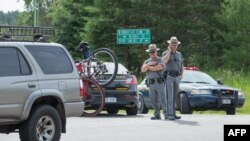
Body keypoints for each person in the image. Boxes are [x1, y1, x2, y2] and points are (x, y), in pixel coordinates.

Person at [141, 44, 167, 120]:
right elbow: (142, 70)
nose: (152, 53)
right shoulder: (147, 61)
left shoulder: (160, 59)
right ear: (149, 53)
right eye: (151, 52)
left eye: (153, 51)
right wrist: (149, 64)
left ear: (156, 52)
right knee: (153, 100)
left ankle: (166, 113)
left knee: (163, 99)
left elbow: (158, 67)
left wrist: (148, 68)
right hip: (151, 83)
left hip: (159, 82)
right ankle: (157, 114)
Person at [162, 36, 183, 120]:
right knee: (169, 96)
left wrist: (181, 74)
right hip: (169, 76)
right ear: (169, 44)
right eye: (172, 44)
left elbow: (181, 64)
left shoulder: (179, 54)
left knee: (175, 96)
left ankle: (173, 113)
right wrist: (169, 52)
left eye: (175, 44)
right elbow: (164, 61)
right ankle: (169, 114)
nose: (174, 45)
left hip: (177, 76)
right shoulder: (165, 53)